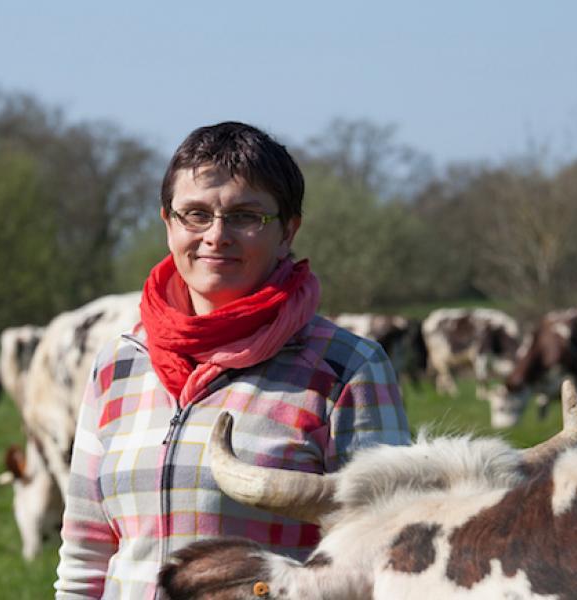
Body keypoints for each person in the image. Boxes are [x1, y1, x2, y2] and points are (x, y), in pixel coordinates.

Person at [54, 121, 411, 598]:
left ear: (288, 231)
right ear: (168, 224)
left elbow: (384, 561)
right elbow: (86, 556)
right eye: (195, 214)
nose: (216, 236)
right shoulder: (118, 365)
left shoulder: (348, 370)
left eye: (246, 216)